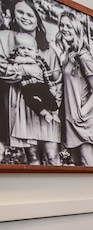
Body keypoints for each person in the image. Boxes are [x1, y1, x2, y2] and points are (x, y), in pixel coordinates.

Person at [0, 0, 62, 165]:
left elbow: (57, 80)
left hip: (48, 102)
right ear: (14, 14)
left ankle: (59, 189)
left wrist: (55, 102)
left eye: (29, 14)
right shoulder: (6, 38)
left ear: (37, 18)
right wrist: (25, 71)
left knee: (52, 156)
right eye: (20, 12)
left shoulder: (48, 49)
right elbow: (2, 70)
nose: (24, 17)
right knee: (33, 157)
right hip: (23, 106)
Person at [55, 11, 93, 167]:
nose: (64, 28)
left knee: (88, 164)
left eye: (68, 25)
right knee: (77, 164)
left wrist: (81, 113)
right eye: (61, 25)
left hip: (82, 120)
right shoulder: (69, 55)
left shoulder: (83, 56)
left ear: (76, 28)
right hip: (70, 119)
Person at [9, 32, 59, 124]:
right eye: (22, 48)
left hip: (40, 84)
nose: (26, 51)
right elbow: (11, 60)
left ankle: (54, 113)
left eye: (29, 49)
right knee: (29, 100)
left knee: (48, 96)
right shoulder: (17, 58)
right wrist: (25, 60)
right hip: (26, 86)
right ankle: (44, 113)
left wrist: (52, 87)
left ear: (36, 51)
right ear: (17, 49)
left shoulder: (39, 60)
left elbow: (47, 73)